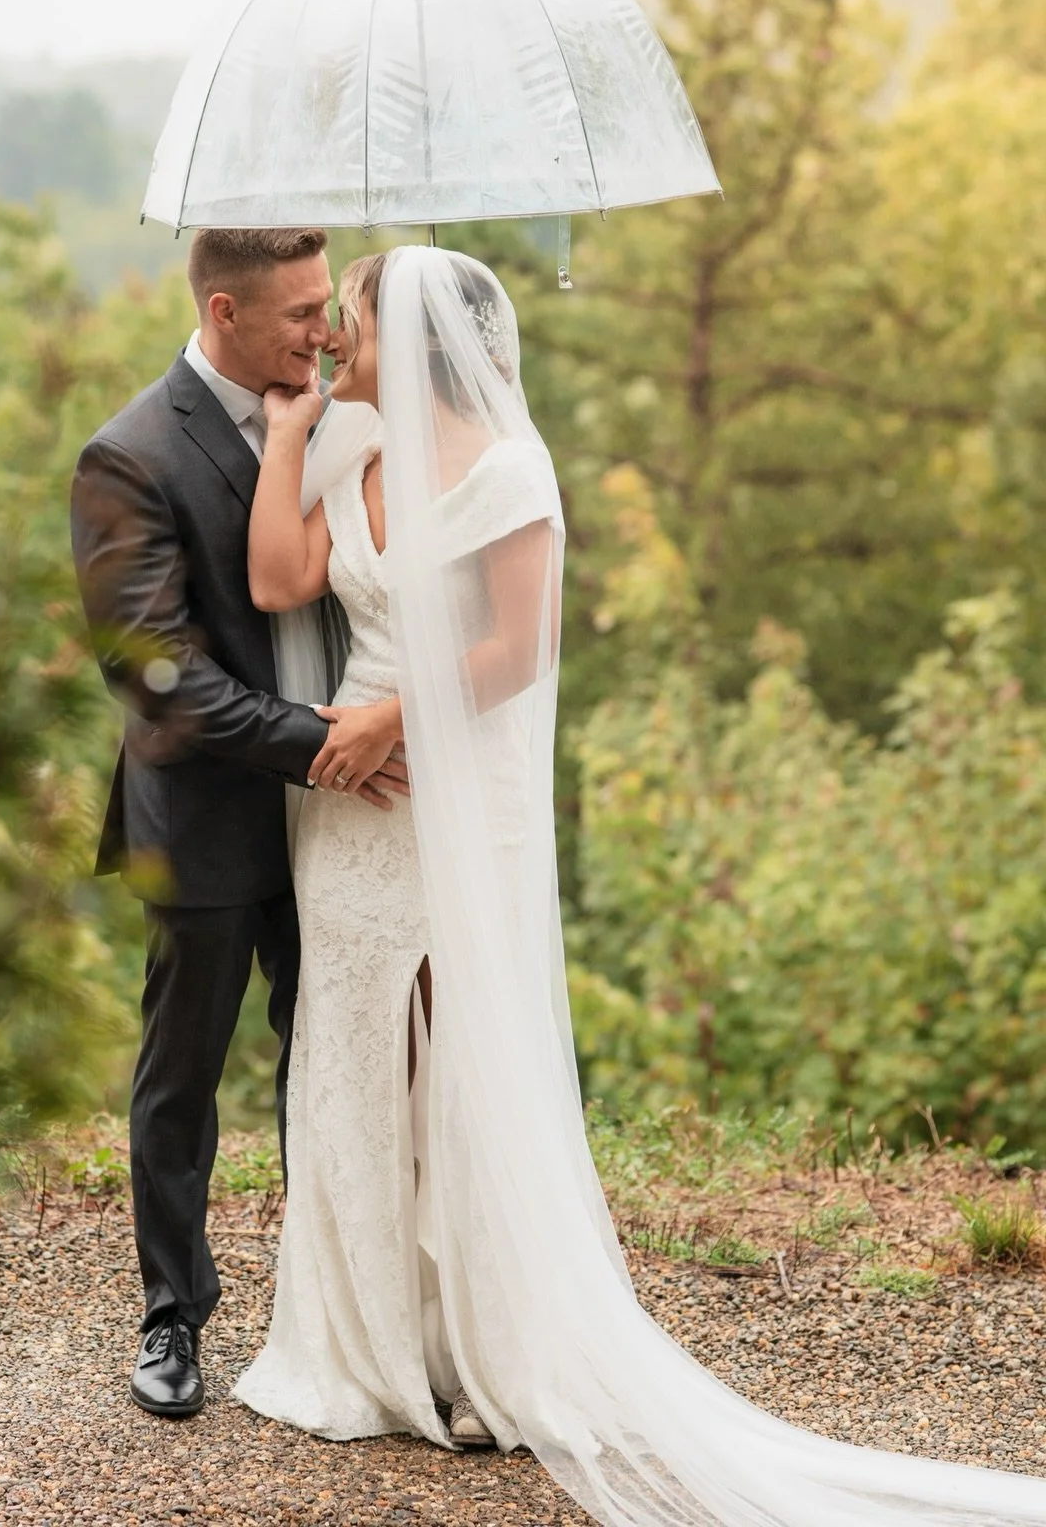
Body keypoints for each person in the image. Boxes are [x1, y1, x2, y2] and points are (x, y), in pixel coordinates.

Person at [234, 242, 1046, 1527]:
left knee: (457, 1054)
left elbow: (513, 647)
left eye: (352, 317)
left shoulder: (511, 469)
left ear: (415, 334)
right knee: (350, 1052)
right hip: (349, 818)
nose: (334, 335)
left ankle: (476, 1348)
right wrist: (287, 435)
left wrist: (394, 720)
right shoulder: (350, 444)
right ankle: (371, 1344)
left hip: (450, 785)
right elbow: (279, 578)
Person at [70, 226, 402, 1421]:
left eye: (329, 305)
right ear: (223, 310)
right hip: (212, 816)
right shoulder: (131, 453)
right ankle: (172, 1316)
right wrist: (321, 741)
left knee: (346, 1062)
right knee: (184, 1076)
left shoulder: (354, 421)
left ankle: (353, 1319)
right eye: (303, 311)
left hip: (356, 827)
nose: (327, 329)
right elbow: (155, 672)